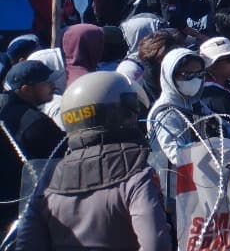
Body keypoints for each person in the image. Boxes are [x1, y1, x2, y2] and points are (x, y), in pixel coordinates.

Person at [15, 71, 169, 250]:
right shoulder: (137, 173)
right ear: (125, 114)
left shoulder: (48, 179)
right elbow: (156, 245)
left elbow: (26, 244)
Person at [0, 60, 65, 230]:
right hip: (20, 212)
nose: (53, 85)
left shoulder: (5, 107)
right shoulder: (34, 123)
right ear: (26, 90)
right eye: (45, 82)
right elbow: (65, 157)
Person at [146, 48, 230, 166]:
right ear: (170, 76)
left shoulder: (194, 103)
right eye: (188, 75)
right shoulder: (166, 113)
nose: (195, 80)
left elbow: (221, 123)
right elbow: (176, 155)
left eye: (199, 74)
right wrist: (211, 150)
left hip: (204, 173)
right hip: (177, 179)